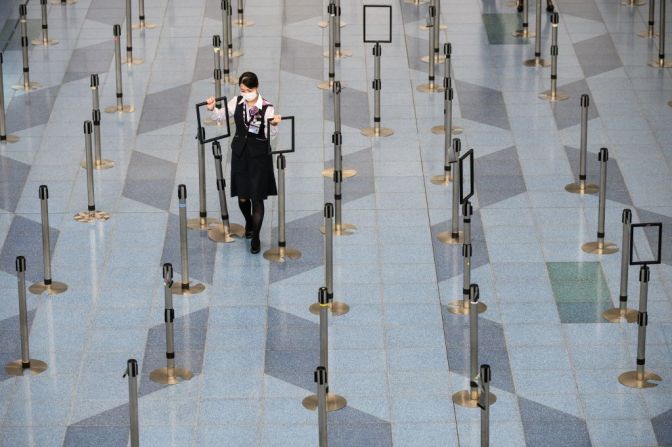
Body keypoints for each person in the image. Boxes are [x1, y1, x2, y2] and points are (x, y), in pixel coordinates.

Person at [207, 72, 281, 254]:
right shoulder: (237, 102)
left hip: (259, 157)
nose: (245, 93)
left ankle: (255, 236)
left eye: (249, 90)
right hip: (240, 154)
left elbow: (271, 135)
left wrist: (274, 125)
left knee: (257, 197)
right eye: (242, 90)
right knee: (242, 196)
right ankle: (248, 221)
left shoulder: (267, 107)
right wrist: (212, 108)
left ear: (257, 88)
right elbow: (221, 116)